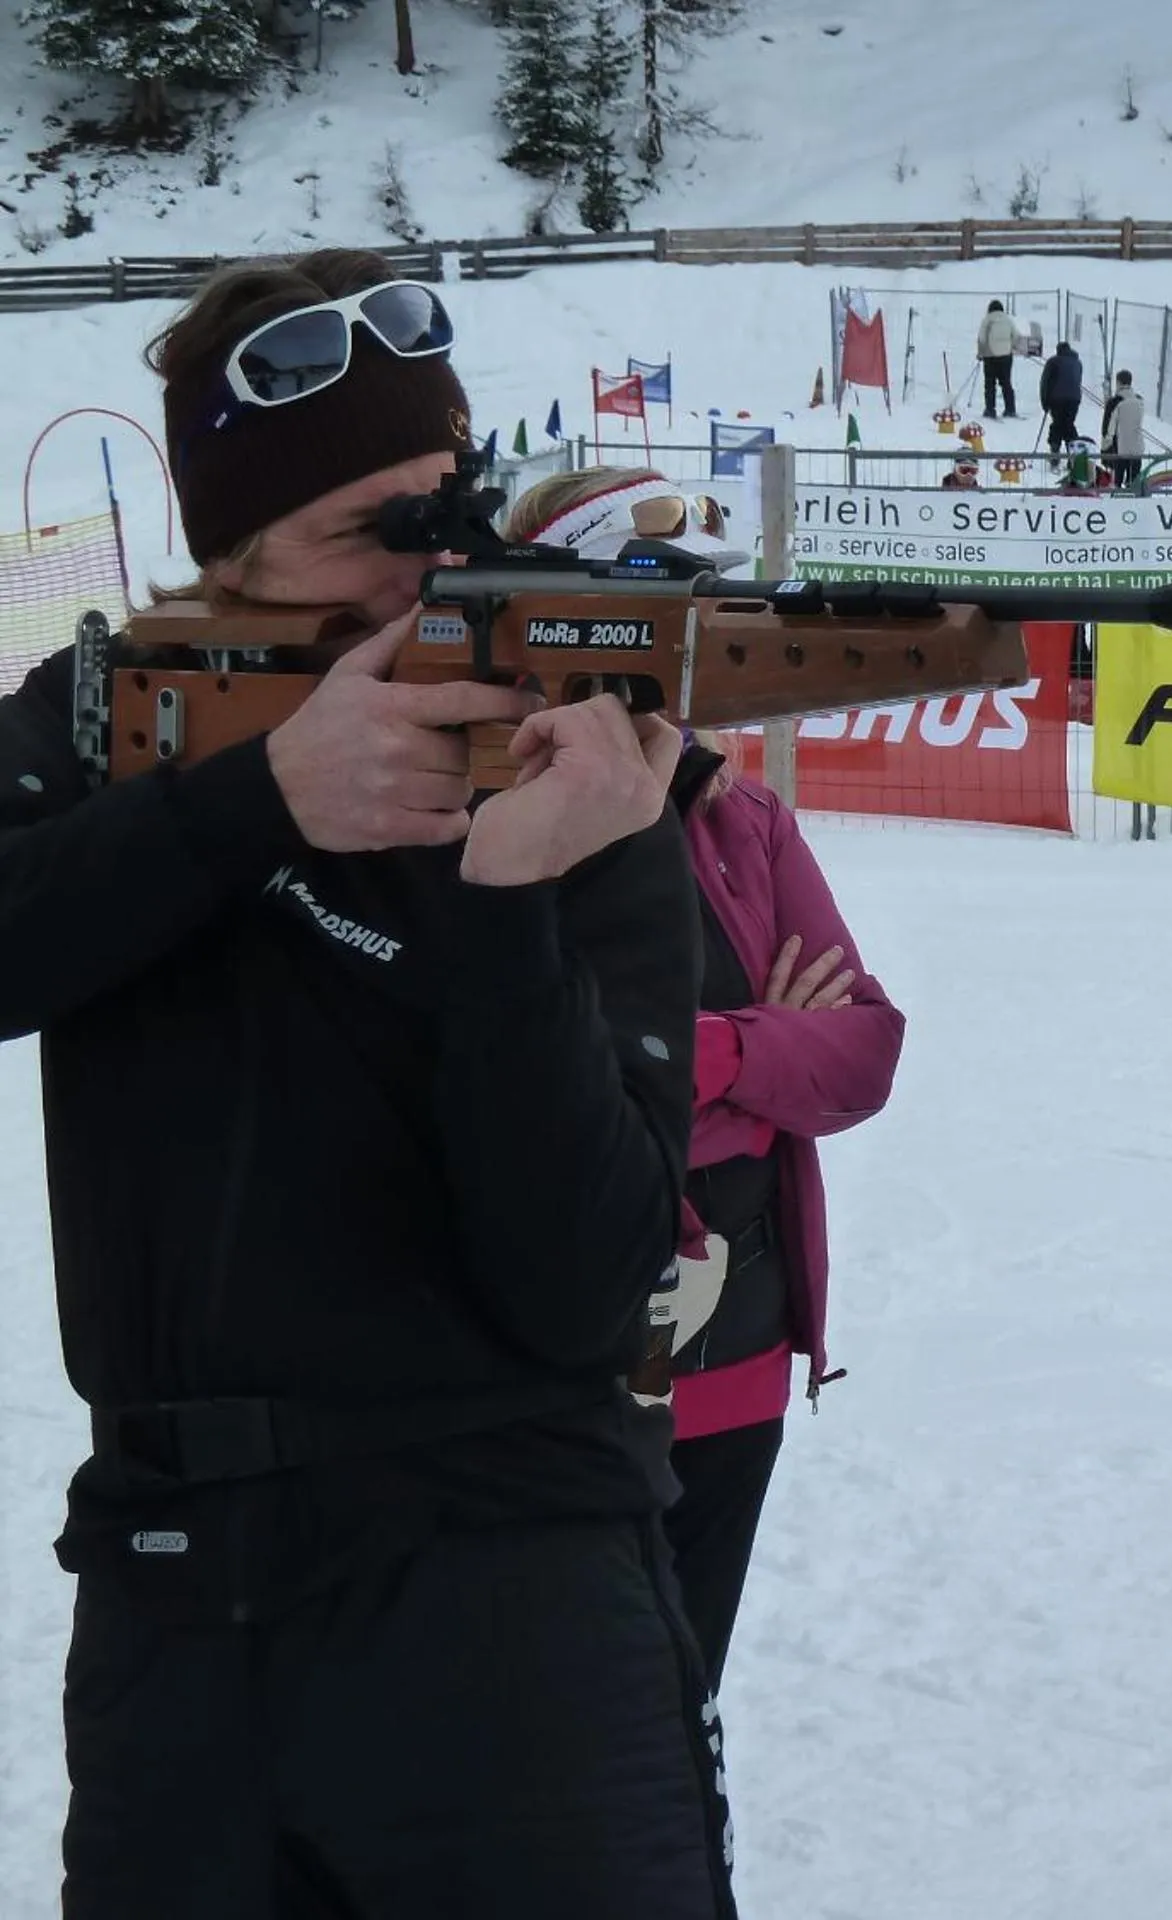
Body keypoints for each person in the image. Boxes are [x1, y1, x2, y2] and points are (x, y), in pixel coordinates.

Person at [0, 248, 736, 1918]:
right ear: (232, 563)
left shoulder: (573, 758)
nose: (430, 573)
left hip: (510, 1586)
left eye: (446, 502)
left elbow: (592, 1277)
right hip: (176, 1597)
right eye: (365, 532)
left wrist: (504, 909)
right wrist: (254, 801)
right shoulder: (113, 720)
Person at [504, 465, 908, 1691]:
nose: (695, 659)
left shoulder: (745, 823)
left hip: (729, 1352)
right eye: (668, 616)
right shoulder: (486, 806)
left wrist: (713, 1049)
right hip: (541, 1370)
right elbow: (529, 1085)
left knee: (683, 1714)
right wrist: (748, 1047)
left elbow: (865, 1052)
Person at [1039, 336, 1085, 462]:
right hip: (1074, 399)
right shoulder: (1078, 363)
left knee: (1058, 424)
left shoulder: (1053, 362)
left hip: (1057, 399)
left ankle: (1055, 452)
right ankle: (1075, 453)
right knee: (1068, 424)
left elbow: (1045, 383)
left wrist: (1044, 402)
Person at [1098, 368, 1145, 489]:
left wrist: (1104, 448)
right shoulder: (1139, 400)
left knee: (1117, 483)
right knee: (1133, 482)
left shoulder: (1115, 402)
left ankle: (1119, 504)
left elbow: (1108, 428)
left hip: (1119, 448)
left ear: (1118, 382)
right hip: (1137, 446)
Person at [975, 297, 1018, 419]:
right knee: (1006, 383)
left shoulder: (987, 320)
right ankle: (1010, 409)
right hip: (1006, 356)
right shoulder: (1008, 319)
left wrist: (980, 353)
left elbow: (982, 338)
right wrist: (1012, 347)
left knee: (990, 384)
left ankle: (990, 409)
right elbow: (1016, 336)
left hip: (990, 356)